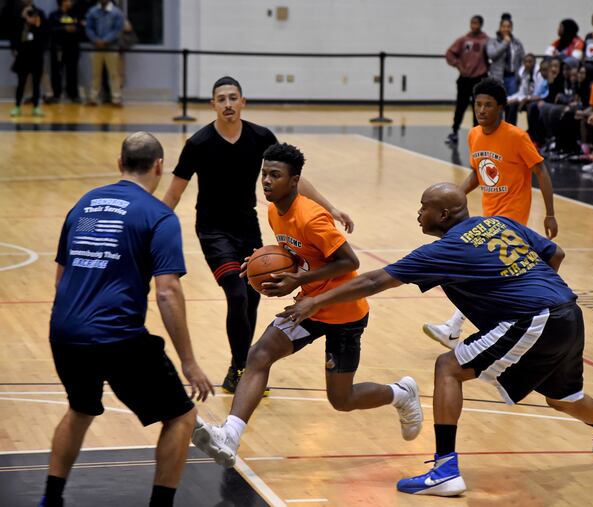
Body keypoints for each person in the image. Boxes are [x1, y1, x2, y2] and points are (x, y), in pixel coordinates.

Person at [279, 182, 593, 497]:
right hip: (568, 311)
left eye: (425, 208)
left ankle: (444, 470)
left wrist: (316, 300)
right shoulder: (497, 223)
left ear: (445, 215)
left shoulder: (446, 249)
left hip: (531, 318)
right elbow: (555, 253)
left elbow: (374, 281)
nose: (418, 213)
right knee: (563, 398)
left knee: (447, 367)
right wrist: (525, 290)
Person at [191, 143, 424, 468]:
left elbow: (349, 262)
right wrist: (263, 265)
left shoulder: (313, 217)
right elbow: (298, 257)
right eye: (264, 174)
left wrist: (298, 282)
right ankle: (230, 435)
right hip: (307, 307)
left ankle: (402, 393)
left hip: (343, 311)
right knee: (259, 355)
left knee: (341, 400)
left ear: (295, 180)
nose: (267, 181)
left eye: (275, 175)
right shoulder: (274, 211)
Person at [39, 132, 214, 507]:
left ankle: (50, 500)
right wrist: (188, 361)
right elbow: (167, 292)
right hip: (117, 336)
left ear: (120, 164)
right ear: (159, 167)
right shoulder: (158, 216)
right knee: (182, 416)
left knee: (81, 408)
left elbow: (61, 278)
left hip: (65, 332)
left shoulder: (85, 205)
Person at [163, 76, 354, 393]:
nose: (227, 104)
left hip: (247, 227)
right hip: (212, 232)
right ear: (212, 105)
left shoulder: (260, 137)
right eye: (221, 99)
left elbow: (294, 179)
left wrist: (331, 209)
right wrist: (146, 230)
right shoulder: (198, 144)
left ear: (242, 102)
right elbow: (173, 195)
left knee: (251, 298)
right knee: (236, 294)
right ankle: (241, 368)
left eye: (232, 98)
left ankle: (239, 366)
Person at [424, 77, 558, 348]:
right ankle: (537, 311)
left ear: (501, 108)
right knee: (500, 274)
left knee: (480, 268)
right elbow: (478, 170)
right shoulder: (474, 134)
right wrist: (457, 197)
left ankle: (455, 326)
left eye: (488, 105)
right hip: (488, 213)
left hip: (510, 218)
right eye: (478, 105)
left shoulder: (517, 137)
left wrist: (550, 213)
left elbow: (540, 171)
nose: (481, 110)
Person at [445, 14, 490, 144]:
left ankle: (478, 133)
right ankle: (454, 131)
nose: (474, 26)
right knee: (461, 105)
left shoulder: (486, 41)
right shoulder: (463, 40)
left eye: (476, 23)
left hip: (480, 79)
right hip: (465, 79)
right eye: (472, 23)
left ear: (481, 25)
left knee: (478, 107)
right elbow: (449, 53)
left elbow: (494, 54)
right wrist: (458, 64)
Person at [9, 0, 46, 117]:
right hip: (23, 54)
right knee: (21, 83)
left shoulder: (40, 13)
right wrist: (22, 18)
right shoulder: (18, 15)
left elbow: (44, 32)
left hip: (36, 54)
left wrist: (34, 23)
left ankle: (36, 107)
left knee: (36, 83)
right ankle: (17, 106)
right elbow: (14, 33)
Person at [84, 0, 124, 106]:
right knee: (95, 73)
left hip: (111, 47)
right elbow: (88, 28)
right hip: (95, 47)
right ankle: (93, 97)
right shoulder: (92, 12)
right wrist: (96, 40)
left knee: (113, 74)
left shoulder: (117, 12)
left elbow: (118, 30)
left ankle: (116, 98)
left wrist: (106, 40)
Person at [48, 0, 80, 103]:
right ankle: (56, 94)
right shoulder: (54, 15)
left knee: (72, 71)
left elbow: (81, 28)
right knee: (56, 71)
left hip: (72, 47)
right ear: (63, 2)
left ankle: (73, 94)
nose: (71, 2)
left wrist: (75, 29)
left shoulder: (75, 15)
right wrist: (64, 28)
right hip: (58, 47)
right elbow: (50, 29)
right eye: (69, 0)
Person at [486, 13, 525, 98]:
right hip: (497, 77)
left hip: (512, 77)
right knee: (498, 101)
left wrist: (520, 74)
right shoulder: (492, 41)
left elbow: (522, 59)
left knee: (512, 103)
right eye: (504, 26)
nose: (506, 29)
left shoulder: (517, 42)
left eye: (508, 27)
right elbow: (491, 55)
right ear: (500, 28)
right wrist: (504, 43)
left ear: (511, 28)